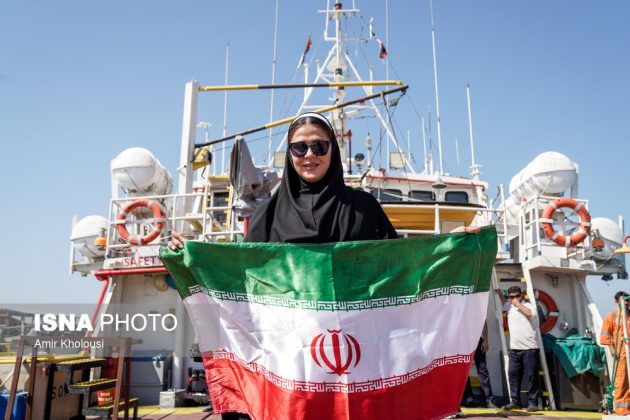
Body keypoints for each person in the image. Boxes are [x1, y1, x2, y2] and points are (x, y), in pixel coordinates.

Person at [169, 111, 480, 418]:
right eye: (299, 147)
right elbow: (240, 283)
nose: (310, 155)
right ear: (289, 153)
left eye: (320, 146)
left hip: (361, 365)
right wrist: (191, 254)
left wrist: (450, 247)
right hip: (289, 367)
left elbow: (401, 270)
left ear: (334, 149)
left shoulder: (363, 209)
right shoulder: (266, 216)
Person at [496, 286, 540, 412]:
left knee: (532, 376)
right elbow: (504, 303)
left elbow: (530, 314)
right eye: (511, 297)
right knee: (513, 375)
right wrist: (500, 293)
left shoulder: (529, 306)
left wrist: (518, 304)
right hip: (515, 348)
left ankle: (533, 403)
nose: (514, 299)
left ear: (521, 295)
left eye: (516, 296)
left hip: (530, 348)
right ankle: (515, 401)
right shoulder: (509, 306)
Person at [600, 291, 630, 415]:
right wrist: (611, 348)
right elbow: (605, 334)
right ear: (617, 301)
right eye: (624, 301)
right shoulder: (612, 315)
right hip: (621, 353)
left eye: (628, 300)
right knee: (621, 380)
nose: (627, 303)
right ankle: (621, 409)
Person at [461, 321, 497, 409]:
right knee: (463, 371)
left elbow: (483, 321)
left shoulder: (476, 306)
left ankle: (488, 400)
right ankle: (469, 398)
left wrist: (485, 340)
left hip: (477, 340)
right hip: (462, 341)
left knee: (482, 369)